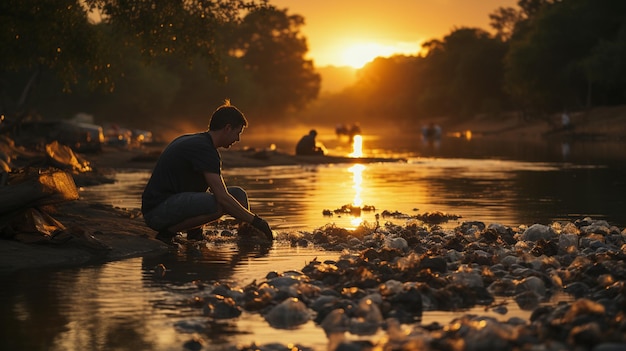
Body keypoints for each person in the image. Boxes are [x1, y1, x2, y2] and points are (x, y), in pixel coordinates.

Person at [141, 100, 273, 245]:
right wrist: (258, 222)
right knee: (220, 204)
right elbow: (222, 197)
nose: (238, 139)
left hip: (173, 203)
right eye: (238, 133)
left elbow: (201, 189)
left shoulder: (200, 143)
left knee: (238, 194)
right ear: (228, 128)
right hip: (157, 211)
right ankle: (167, 233)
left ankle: (246, 238)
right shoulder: (204, 149)